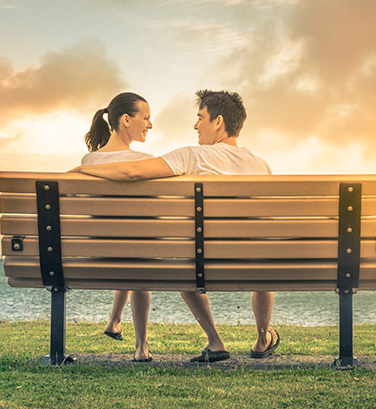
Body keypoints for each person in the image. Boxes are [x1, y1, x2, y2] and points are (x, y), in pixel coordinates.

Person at [72, 89, 279, 363]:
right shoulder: (261, 165)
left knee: (186, 269)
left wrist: (82, 170)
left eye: (200, 118)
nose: (195, 125)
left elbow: (131, 172)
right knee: (261, 261)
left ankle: (215, 341)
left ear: (217, 122)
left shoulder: (191, 156)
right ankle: (263, 338)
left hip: (202, 264)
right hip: (255, 263)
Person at [80, 92, 156, 363]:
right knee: (137, 249)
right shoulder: (145, 161)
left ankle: (114, 321)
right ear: (126, 120)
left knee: (127, 244)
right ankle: (141, 346)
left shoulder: (88, 162)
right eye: (145, 118)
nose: (150, 124)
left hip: (96, 255)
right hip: (137, 253)